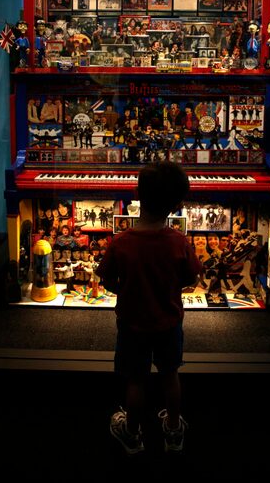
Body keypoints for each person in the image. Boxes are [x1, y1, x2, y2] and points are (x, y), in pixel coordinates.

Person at [96, 161, 201, 454]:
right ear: (178, 203)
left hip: (132, 324)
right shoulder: (179, 241)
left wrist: (127, 290)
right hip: (169, 322)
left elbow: (106, 280)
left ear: (137, 195)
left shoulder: (121, 242)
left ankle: (131, 433)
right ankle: (173, 430)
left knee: (135, 379)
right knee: (170, 374)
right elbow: (191, 278)